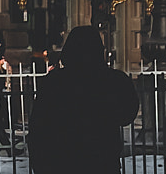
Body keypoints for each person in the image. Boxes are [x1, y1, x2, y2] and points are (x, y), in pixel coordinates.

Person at [28, 26, 139, 174]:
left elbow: (38, 126)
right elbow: (127, 114)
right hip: (102, 161)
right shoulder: (113, 80)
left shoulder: (55, 82)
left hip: (62, 161)